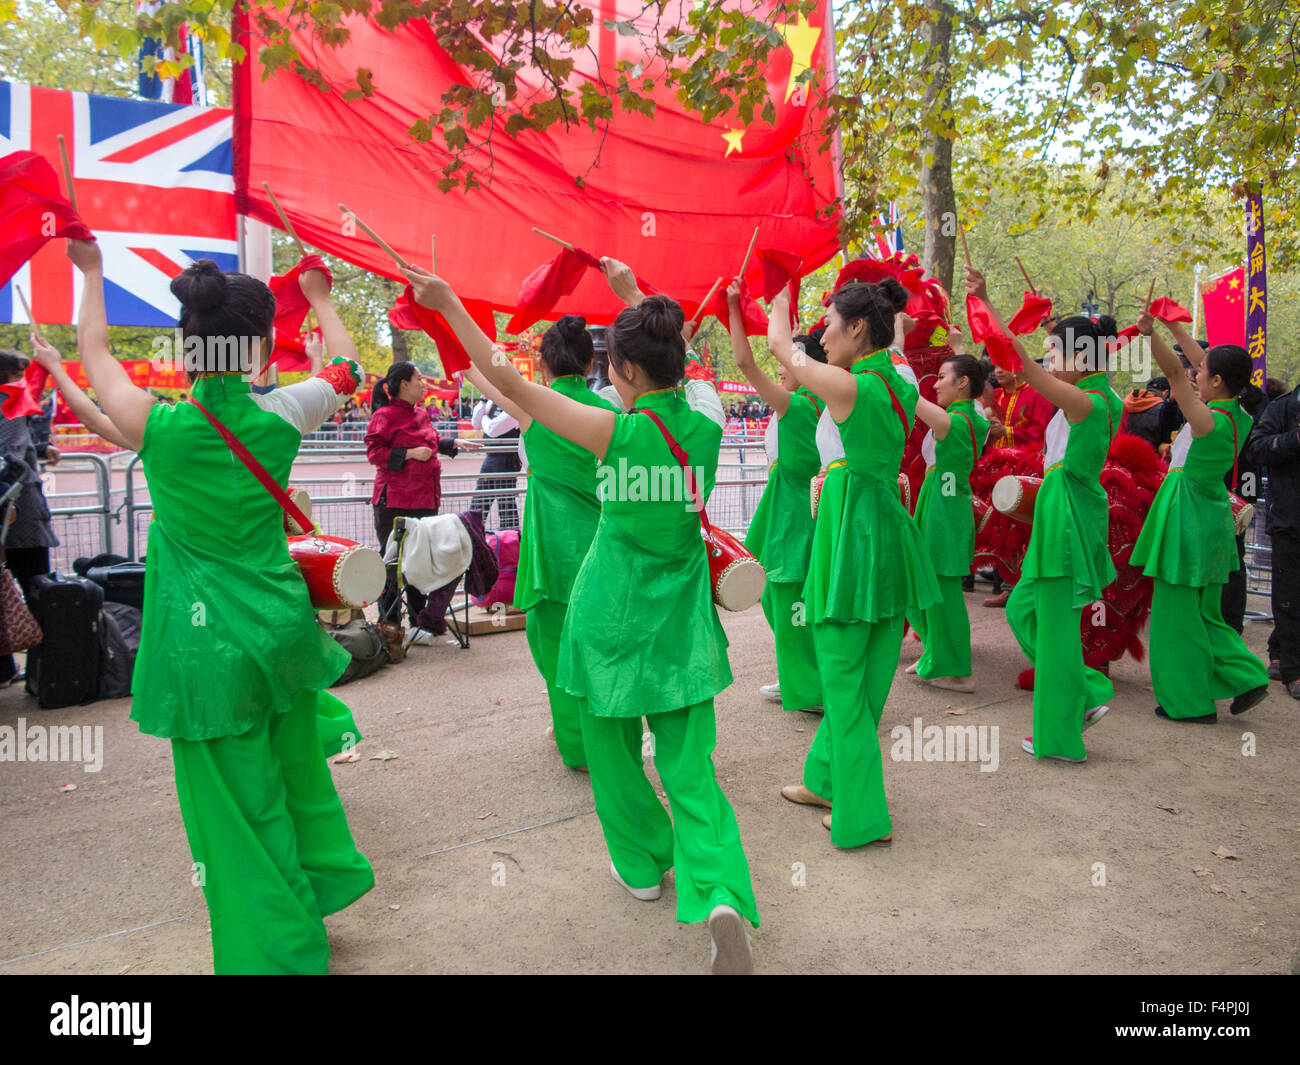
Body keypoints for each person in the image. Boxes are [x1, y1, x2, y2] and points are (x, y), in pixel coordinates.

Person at [401, 260, 758, 974]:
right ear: (682, 363)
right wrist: (636, 293)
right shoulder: (712, 417)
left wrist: (447, 303)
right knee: (691, 765)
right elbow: (680, 359)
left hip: (608, 611)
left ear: (621, 369)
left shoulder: (611, 431)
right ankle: (718, 887)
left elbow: (505, 378)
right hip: (681, 615)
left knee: (613, 751)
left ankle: (641, 863)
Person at [66, 239, 374, 973]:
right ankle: (314, 894)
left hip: (206, 659)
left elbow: (95, 354)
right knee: (296, 776)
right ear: (262, 348)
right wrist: (323, 298)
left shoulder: (159, 426)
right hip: (281, 637)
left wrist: (92, 273)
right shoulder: (282, 414)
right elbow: (349, 370)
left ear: (186, 347)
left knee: (238, 818)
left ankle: (283, 950)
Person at [767, 280, 939, 848]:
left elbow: (779, 347)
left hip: (852, 538)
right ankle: (824, 779)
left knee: (843, 681)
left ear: (858, 328)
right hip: (888, 535)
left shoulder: (851, 387)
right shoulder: (898, 379)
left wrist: (773, 299)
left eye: (830, 323)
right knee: (863, 681)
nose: (822, 334)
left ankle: (862, 817)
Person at [966, 265, 1121, 764]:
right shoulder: (1087, 396)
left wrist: (989, 304)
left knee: (1053, 629)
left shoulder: (1091, 401)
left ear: (1080, 356)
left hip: (1069, 517)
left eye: (1054, 352)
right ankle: (1088, 691)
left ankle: (1059, 739)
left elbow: (1023, 369)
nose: (1047, 363)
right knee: (1022, 609)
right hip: (1059, 513)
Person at [463, 315, 617, 770]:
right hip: (601, 543)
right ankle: (610, 739)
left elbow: (485, 372)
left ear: (543, 365)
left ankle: (577, 743)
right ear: (591, 362)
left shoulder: (532, 406)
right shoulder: (610, 412)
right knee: (599, 643)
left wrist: (462, 354)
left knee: (553, 641)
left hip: (552, 545)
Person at [1129, 315, 1269, 721]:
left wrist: (1149, 335)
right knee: (1204, 613)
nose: (1195, 372)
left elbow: (1174, 372)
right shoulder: (1237, 415)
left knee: (1176, 616)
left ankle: (1188, 703)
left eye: (1202, 372)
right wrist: (1172, 329)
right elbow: (1196, 362)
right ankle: (1246, 675)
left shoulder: (1209, 419)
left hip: (1187, 513)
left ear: (1218, 382)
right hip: (1209, 518)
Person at [729, 280, 825, 713]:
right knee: (783, 603)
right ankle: (802, 678)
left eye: (791, 360)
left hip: (793, 520)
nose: (783, 367)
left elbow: (745, 361)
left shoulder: (799, 405)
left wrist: (738, 308)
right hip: (794, 513)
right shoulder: (820, 404)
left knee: (791, 608)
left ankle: (811, 691)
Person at [366, 362, 481, 645]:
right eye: (419, 379)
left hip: (426, 499)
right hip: (395, 501)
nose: (424, 383)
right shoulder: (383, 416)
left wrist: (452, 443)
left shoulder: (421, 414)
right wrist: (407, 454)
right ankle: (390, 625)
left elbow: (431, 441)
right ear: (403, 384)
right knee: (393, 564)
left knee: (422, 560)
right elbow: (374, 453)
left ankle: (421, 622)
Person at [905, 353, 990, 693]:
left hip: (943, 507)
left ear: (963, 383)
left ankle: (959, 673)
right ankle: (936, 653)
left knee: (943, 591)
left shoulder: (952, 421)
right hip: (941, 502)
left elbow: (908, 395)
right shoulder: (973, 416)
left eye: (942, 377)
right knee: (924, 584)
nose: (936, 384)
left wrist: (891, 355)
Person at [0, 349, 60, 685]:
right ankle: (49, 666)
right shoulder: (10, 404)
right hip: (17, 515)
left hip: (12, 513)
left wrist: (38, 449)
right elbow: (10, 457)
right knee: (36, 587)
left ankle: (7, 667)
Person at [1244, 375, 1300, 698]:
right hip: (1289, 520)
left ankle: (1279, 651)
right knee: (1290, 594)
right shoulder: (1282, 409)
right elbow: (1256, 449)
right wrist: (1294, 440)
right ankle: (1294, 669)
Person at [469, 396, 522, 530]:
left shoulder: (514, 401)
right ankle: (472, 532)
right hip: (491, 456)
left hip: (507, 459)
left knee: (506, 504)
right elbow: (475, 423)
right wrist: (483, 401)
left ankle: (511, 540)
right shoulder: (490, 401)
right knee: (479, 501)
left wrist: (485, 418)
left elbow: (493, 429)